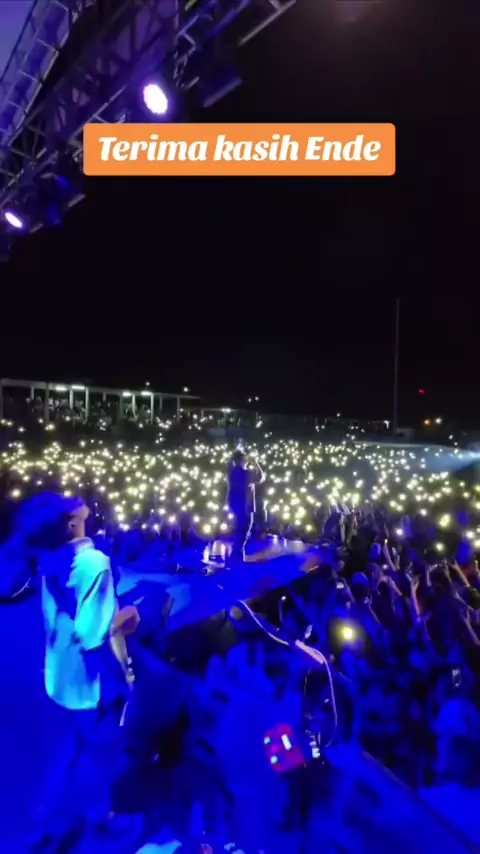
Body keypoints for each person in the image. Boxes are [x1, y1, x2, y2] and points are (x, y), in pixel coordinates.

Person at [14, 492, 138, 850]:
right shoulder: (94, 562)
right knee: (99, 751)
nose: (79, 499)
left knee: (66, 747)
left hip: (60, 674)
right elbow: (93, 632)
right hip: (92, 680)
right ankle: (100, 817)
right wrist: (127, 619)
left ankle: (41, 820)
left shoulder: (50, 560)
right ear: (71, 523)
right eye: (71, 503)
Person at [227, 450, 265, 562]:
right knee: (244, 527)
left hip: (237, 502)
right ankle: (237, 551)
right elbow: (260, 477)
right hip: (245, 503)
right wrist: (255, 463)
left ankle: (237, 551)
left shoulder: (233, 471)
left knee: (241, 526)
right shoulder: (244, 473)